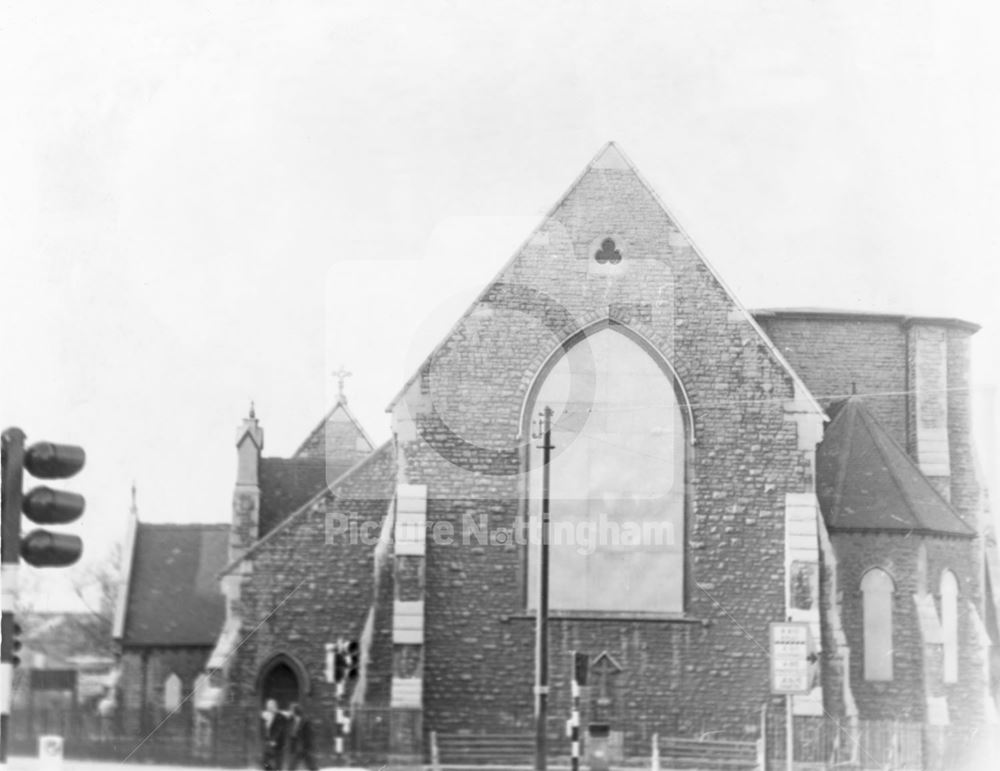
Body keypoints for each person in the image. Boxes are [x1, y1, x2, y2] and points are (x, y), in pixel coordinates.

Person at [285, 703, 317, 771]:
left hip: (305, 747)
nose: (290, 711)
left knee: (312, 766)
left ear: (295, 711)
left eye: (291, 710)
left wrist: (309, 746)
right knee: (291, 766)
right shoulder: (291, 720)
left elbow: (310, 734)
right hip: (296, 747)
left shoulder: (306, 720)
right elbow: (290, 732)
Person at [260, 698, 287, 770]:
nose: (268, 708)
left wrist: (274, 740)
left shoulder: (281, 716)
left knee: (278, 764)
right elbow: (266, 729)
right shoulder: (267, 716)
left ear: (275, 706)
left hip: (278, 744)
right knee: (265, 762)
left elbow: (279, 729)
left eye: (270, 706)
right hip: (269, 743)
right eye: (267, 706)